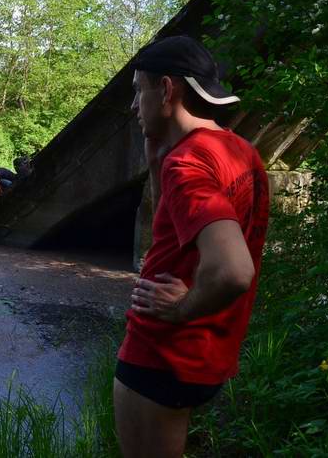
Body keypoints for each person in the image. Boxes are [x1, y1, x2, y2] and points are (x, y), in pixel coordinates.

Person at [115, 35, 269, 458]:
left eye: (137, 92)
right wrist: (154, 162)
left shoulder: (188, 163)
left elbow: (234, 270)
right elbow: (181, 238)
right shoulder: (240, 151)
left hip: (160, 354)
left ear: (166, 90)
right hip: (208, 353)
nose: (133, 107)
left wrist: (179, 309)